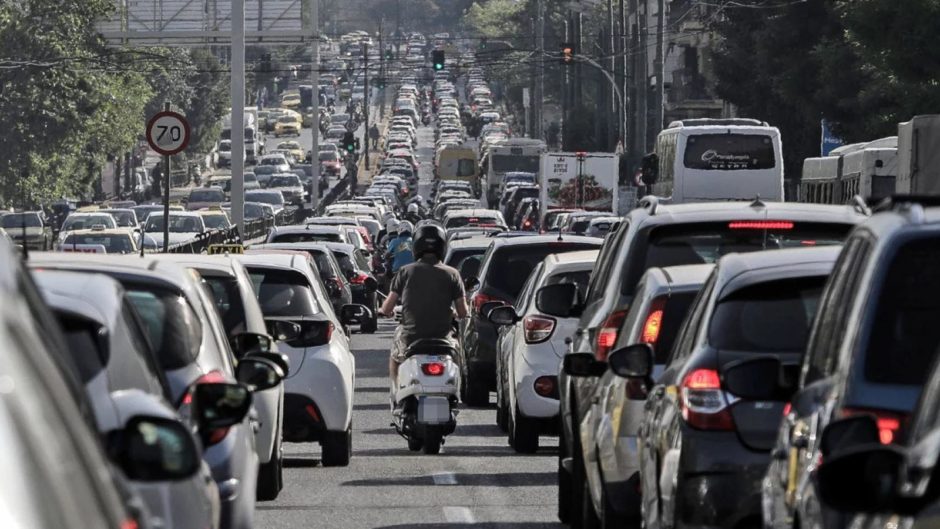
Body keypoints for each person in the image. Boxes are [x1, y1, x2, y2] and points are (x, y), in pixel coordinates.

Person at [378, 224, 468, 394]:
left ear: (416, 246)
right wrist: (454, 314)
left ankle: (398, 392)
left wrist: (384, 311)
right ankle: (456, 392)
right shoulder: (453, 274)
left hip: (411, 338)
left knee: (395, 358)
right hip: (443, 339)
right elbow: (463, 312)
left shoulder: (405, 271)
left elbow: (387, 307)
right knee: (458, 356)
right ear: (443, 246)